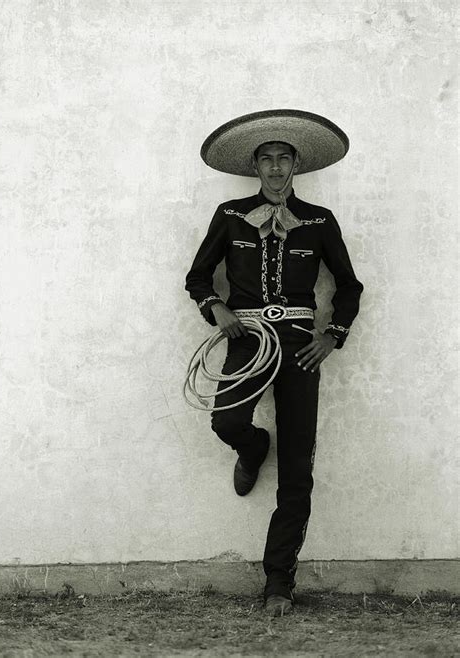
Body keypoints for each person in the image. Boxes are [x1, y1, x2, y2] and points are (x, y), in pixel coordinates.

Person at [185, 110, 363, 616]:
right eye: (268, 160)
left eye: (285, 158)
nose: (277, 168)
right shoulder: (230, 216)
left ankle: (278, 583)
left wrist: (333, 336)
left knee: (298, 468)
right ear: (255, 167)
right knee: (227, 421)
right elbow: (198, 277)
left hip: (302, 349)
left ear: (297, 164)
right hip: (247, 339)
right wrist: (216, 308)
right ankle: (253, 444)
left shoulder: (319, 220)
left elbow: (349, 287)